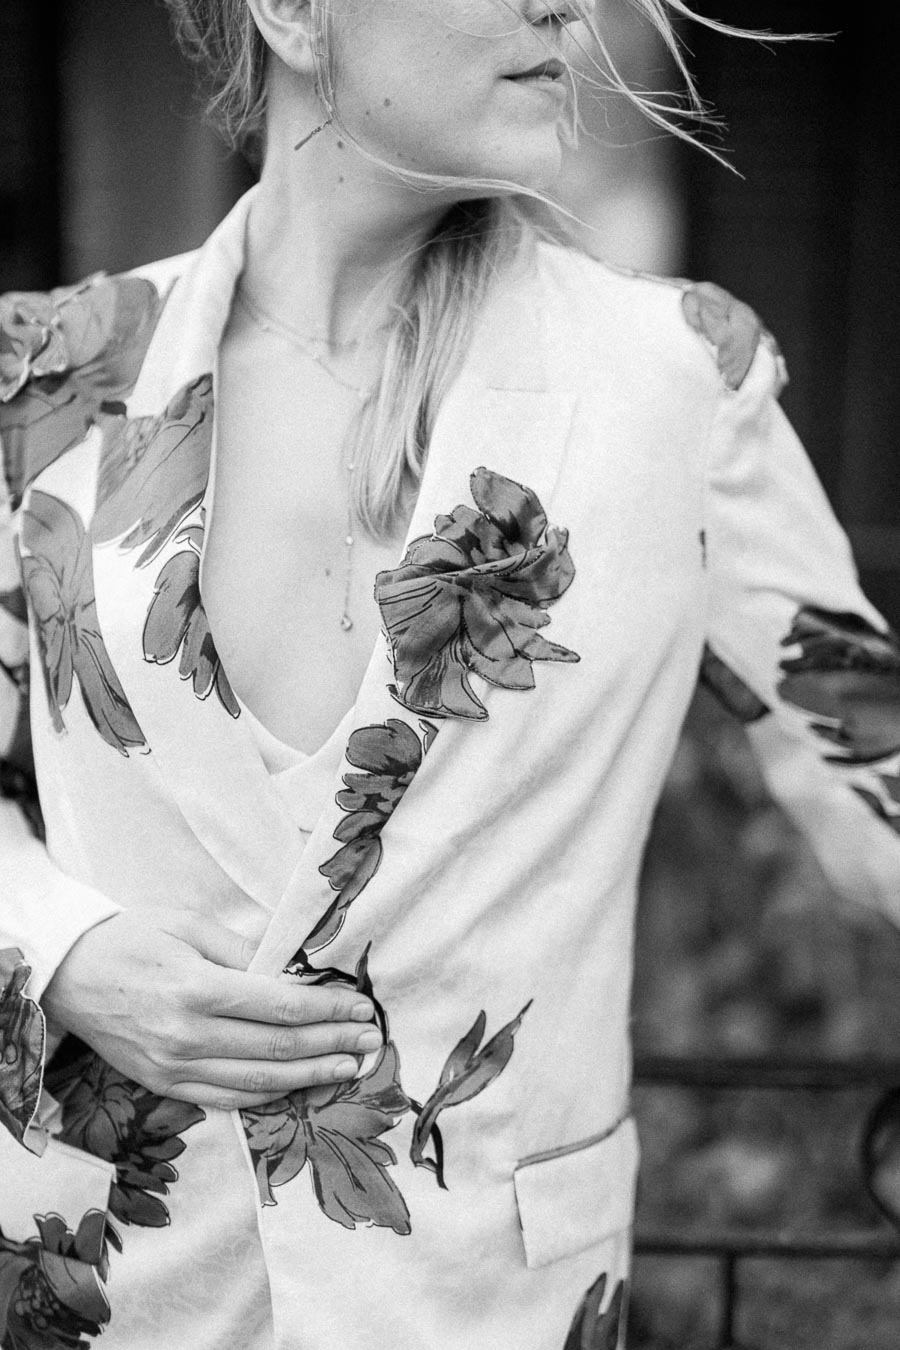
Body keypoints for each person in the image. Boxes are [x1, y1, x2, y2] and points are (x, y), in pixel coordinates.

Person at [2, 3, 899, 1348]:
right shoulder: (49, 384)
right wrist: (61, 953)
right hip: (109, 1291)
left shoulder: (674, 387)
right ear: (296, 14)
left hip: (489, 1307)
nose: (566, 4)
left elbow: (877, 770)